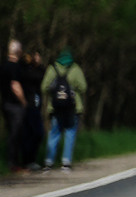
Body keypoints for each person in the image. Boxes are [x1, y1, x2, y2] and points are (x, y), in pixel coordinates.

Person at [42, 48, 88, 169]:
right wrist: (73, 86)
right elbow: (83, 87)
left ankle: (49, 161)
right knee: (70, 133)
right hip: (73, 107)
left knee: (54, 133)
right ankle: (66, 162)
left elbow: (44, 87)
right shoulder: (75, 69)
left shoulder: (52, 68)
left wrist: (54, 90)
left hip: (55, 107)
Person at [4, 40, 38, 172]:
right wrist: (23, 102)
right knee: (16, 135)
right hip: (15, 105)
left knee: (13, 134)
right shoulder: (14, 67)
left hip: (6, 104)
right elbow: (15, 86)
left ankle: (13, 162)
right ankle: (14, 164)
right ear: (18, 51)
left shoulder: (4, 65)